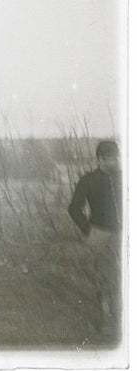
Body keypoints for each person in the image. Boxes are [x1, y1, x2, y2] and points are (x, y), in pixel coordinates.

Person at [68, 140, 122, 336]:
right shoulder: (88, 180)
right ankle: (104, 317)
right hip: (98, 234)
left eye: (117, 157)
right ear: (100, 159)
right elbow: (74, 208)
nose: (116, 162)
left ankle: (121, 319)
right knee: (103, 277)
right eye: (111, 158)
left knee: (123, 277)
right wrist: (88, 230)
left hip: (123, 235)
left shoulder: (125, 178)